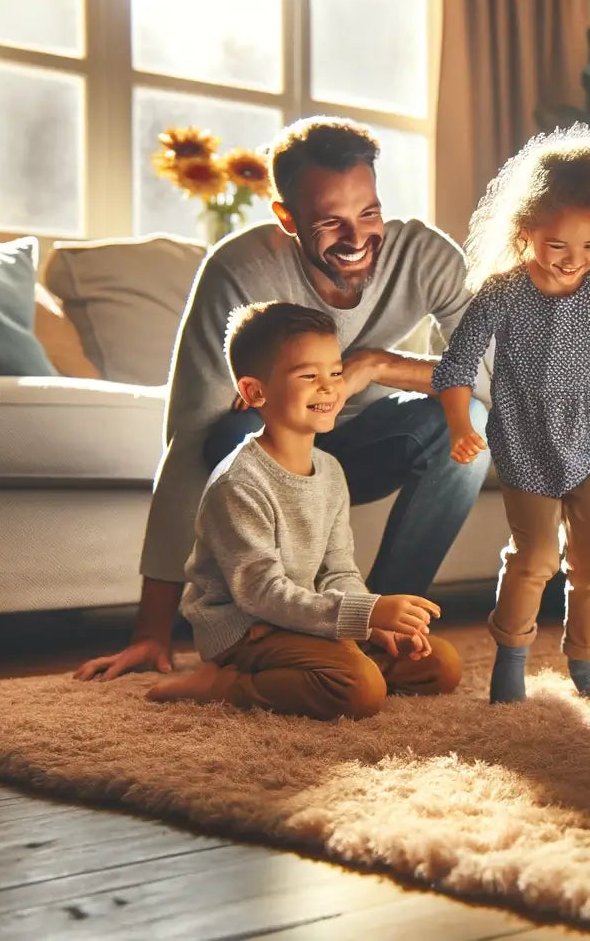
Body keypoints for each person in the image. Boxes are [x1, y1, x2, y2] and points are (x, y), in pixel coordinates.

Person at [74, 117, 489, 683]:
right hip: (267, 448)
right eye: (330, 222)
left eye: (369, 213)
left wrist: (376, 364)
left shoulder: (426, 257)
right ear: (287, 218)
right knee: (224, 438)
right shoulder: (238, 272)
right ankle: (267, 636)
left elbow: (501, 376)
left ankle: (384, 624)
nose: (357, 239)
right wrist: (149, 632)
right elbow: (190, 439)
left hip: (364, 445)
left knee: (468, 423)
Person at [432, 124, 590, 704]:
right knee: (535, 555)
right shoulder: (501, 293)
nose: (574, 262)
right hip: (524, 436)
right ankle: (511, 655)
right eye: (558, 247)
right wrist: (461, 425)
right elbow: (457, 365)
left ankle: (585, 663)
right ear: (526, 233)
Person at [145, 302, 461, 718]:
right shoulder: (238, 483)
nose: (329, 388)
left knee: (440, 665)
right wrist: (361, 616)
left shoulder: (329, 471)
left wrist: (369, 620)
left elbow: (339, 570)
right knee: (359, 689)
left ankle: (335, 666)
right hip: (248, 629)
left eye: (335, 373)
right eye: (309, 376)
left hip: (301, 615)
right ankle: (224, 683)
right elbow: (260, 594)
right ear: (255, 392)